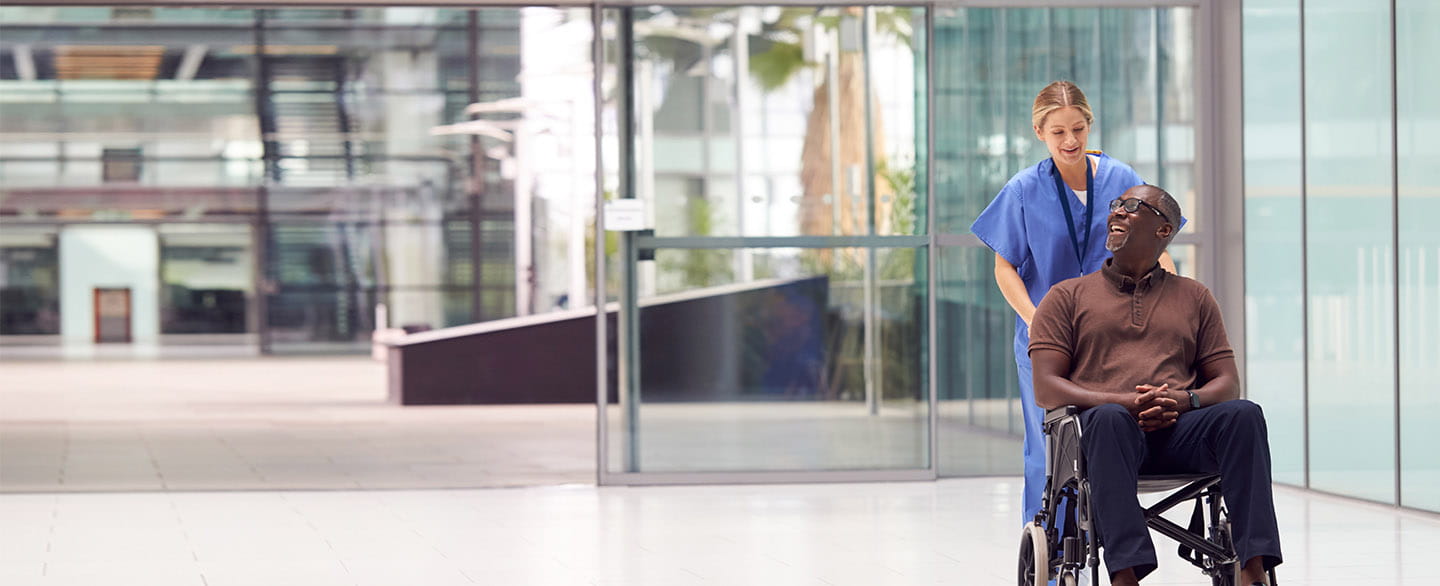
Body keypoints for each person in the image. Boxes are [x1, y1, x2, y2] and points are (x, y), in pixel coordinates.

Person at [1028, 184, 1282, 586]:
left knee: (1244, 414)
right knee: (1110, 418)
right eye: (1115, 207)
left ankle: (1253, 572)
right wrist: (1125, 402)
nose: (1117, 213)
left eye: (1131, 207)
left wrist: (1184, 400)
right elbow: (1045, 387)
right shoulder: (1066, 298)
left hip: (1179, 434)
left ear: (1164, 230)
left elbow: (1227, 382)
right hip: (1104, 439)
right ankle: (1126, 576)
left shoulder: (1195, 297)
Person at [970, 81, 1177, 525]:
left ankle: (1111, 541)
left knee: (1109, 439)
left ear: (1090, 126)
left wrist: (1179, 306)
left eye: (1078, 129)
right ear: (1039, 132)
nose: (1070, 141)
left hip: (1117, 337)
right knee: (1050, 453)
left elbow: (1157, 248)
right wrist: (1036, 320)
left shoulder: (1122, 180)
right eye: (1058, 131)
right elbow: (1004, 270)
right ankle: (1052, 558)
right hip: (1048, 341)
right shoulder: (1024, 189)